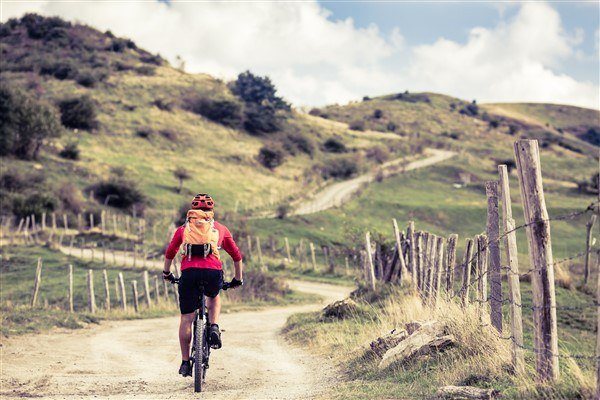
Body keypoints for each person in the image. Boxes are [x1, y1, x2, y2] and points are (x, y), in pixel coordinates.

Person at [162, 193, 243, 377]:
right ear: (211, 211)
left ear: (192, 211)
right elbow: (236, 256)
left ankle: (184, 362)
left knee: (186, 319)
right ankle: (214, 326)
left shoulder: (183, 229)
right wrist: (237, 279)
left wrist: (166, 273)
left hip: (189, 274)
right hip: (212, 272)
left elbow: (170, 252)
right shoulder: (220, 229)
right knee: (214, 296)